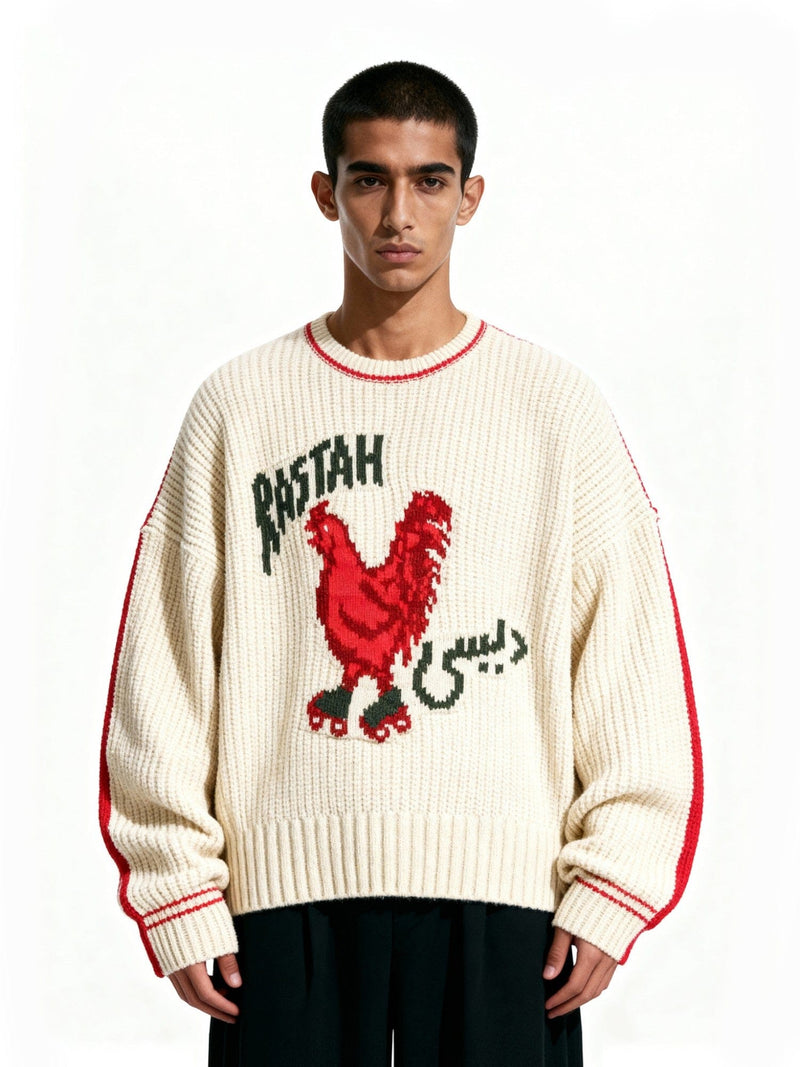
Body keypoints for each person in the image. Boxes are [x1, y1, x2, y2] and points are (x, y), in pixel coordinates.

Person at [98, 60, 704, 1066]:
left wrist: (613, 878)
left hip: (506, 905)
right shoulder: (238, 407)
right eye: (369, 178)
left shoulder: (553, 409)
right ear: (325, 192)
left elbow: (630, 661)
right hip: (279, 905)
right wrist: (178, 888)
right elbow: (162, 669)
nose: (397, 214)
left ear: (470, 196)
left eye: (429, 180)